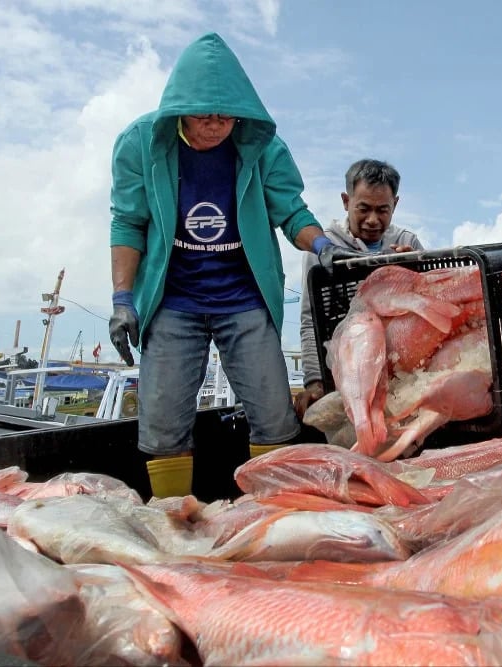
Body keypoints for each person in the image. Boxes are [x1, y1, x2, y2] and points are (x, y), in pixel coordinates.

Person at [107, 33, 357, 498]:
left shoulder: (262, 145)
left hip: (244, 296)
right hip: (172, 300)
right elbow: (128, 223)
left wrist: (323, 244)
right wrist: (124, 299)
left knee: (274, 415)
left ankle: (269, 515)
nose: (217, 126)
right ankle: (170, 517)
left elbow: (291, 211)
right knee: (162, 421)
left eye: (227, 116)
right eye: (205, 115)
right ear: (180, 109)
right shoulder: (139, 143)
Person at [294, 159, 424, 420]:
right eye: (363, 209)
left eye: (383, 210)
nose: (373, 220)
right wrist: (314, 380)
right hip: (345, 370)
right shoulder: (324, 248)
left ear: (395, 205)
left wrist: (414, 272)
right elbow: (311, 321)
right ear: (346, 201)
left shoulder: (407, 242)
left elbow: (427, 309)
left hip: (400, 369)